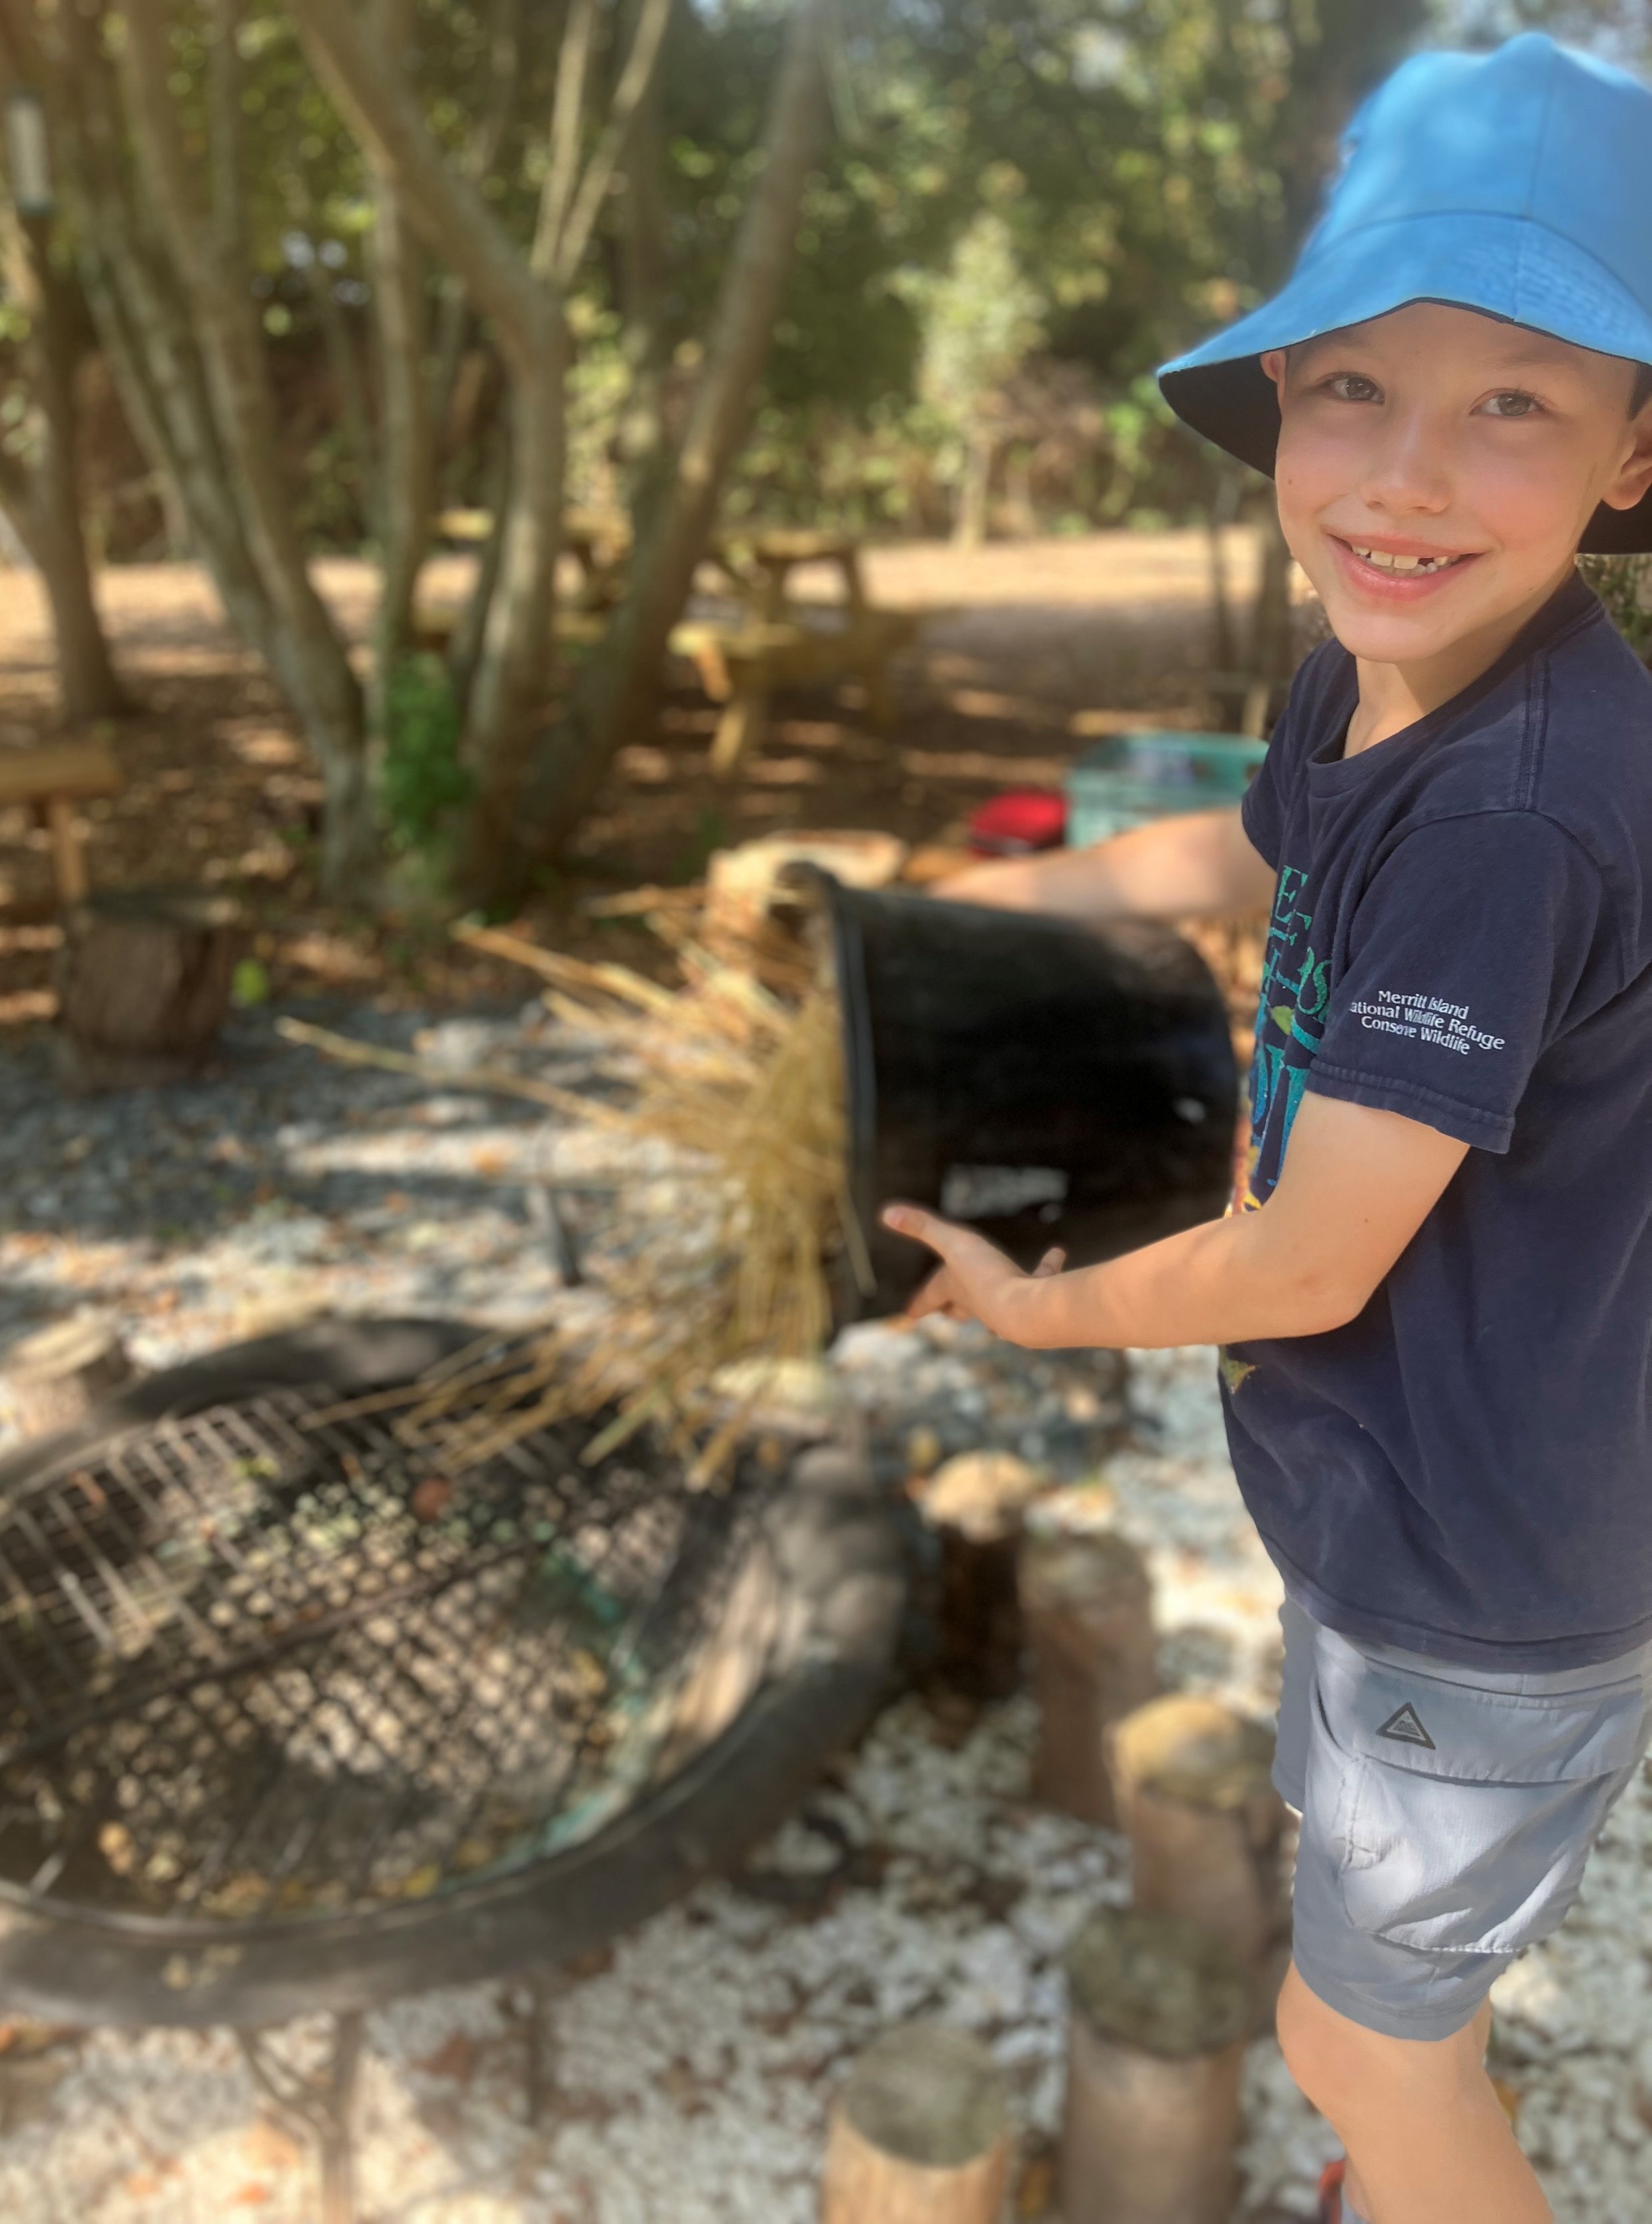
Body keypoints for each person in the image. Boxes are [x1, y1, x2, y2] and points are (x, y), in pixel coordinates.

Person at [883, 35, 1652, 2224]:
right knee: (1383, 1960)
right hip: (1393, 1493)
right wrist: (964, 901)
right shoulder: (1375, 661)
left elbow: (1310, 1260)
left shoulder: (1517, 816)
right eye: (1349, 391)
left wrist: (1040, 1315)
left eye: (1510, 397)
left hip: (1483, 1575)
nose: (1403, 477)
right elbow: (1243, 863)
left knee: (1354, 2045)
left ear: (1626, 452)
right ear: (1280, 402)